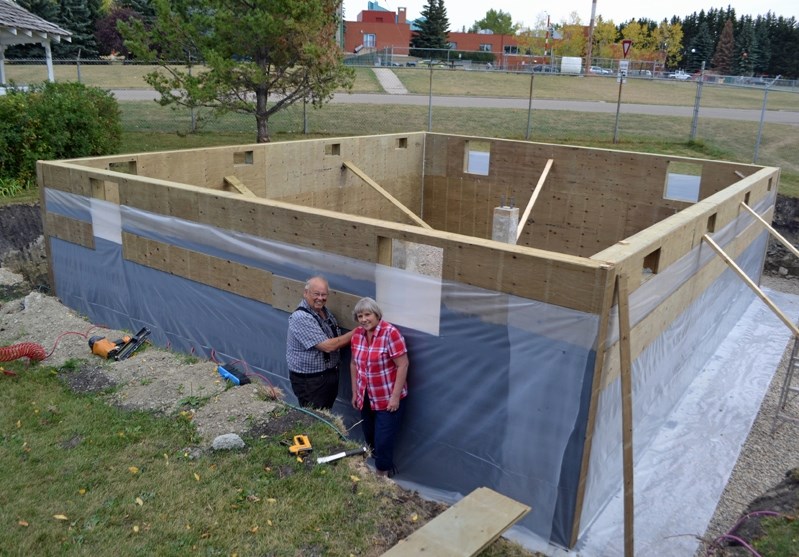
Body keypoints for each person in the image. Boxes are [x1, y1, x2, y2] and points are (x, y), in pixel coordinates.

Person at [349, 297, 409, 477]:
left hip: (387, 397)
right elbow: (353, 364)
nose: (364, 319)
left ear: (377, 315)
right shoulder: (358, 335)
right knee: (369, 435)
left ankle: (382, 475)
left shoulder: (390, 334)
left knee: (383, 439)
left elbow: (403, 365)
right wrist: (355, 392)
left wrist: (395, 396)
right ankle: (376, 465)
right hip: (366, 395)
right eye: (360, 316)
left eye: (368, 314)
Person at [286, 276, 354, 410]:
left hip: (327, 375)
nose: (320, 298)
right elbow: (328, 346)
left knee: (325, 414)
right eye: (316, 294)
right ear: (306, 293)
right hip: (310, 381)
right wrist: (357, 332)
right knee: (315, 419)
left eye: (324, 295)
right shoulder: (301, 317)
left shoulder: (323, 311)